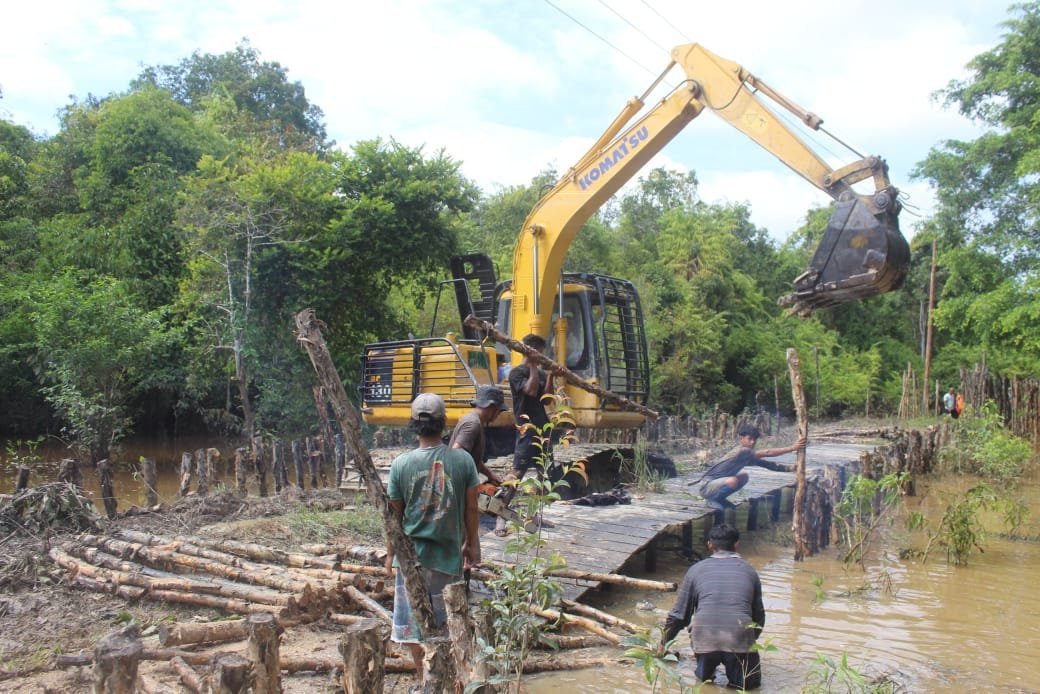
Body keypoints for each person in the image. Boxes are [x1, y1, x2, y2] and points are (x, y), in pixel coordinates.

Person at [385, 393, 480, 679]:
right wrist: (472, 544)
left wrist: (390, 555)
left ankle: (423, 678)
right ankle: (447, 680)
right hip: (447, 559)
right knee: (449, 624)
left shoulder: (401, 465)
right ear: (444, 423)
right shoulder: (462, 461)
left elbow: (394, 518)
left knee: (415, 626)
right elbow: (472, 508)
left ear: (413, 424)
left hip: (410, 560)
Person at [663, 524, 766, 689]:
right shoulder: (749, 571)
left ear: (710, 545)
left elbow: (678, 616)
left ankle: (706, 674)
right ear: (736, 544)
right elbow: (759, 617)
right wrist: (748, 643)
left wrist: (663, 646)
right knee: (748, 688)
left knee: (705, 684)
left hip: (705, 639)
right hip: (739, 639)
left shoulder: (696, 570)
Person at [495, 333, 557, 535]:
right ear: (529, 352)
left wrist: (553, 375)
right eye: (537, 353)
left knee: (543, 473)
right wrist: (532, 366)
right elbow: (530, 391)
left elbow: (547, 400)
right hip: (526, 429)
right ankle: (501, 517)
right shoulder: (516, 373)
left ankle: (534, 516)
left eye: (541, 353)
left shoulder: (542, 374)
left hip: (543, 428)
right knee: (517, 473)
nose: (540, 356)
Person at [694, 424, 806, 510]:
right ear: (741, 438)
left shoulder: (747, 455)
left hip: (716, 485)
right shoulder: (742, 451)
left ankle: (719, 499)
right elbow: (767, 452)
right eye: (749, 439)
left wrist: (789, 468)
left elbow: (767, 464)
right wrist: (792, 448)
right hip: (706, 486)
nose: (752, 442)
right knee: (733, 480)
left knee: (744, 477)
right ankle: (713, 500)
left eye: (754, 440)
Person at [448, 384, 505, 485]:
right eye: (499, 411)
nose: (498, 415)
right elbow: (455, 455)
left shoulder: (474, 420)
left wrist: (489, 474)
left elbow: (472, 457)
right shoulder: (473, 424)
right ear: (491, 406)